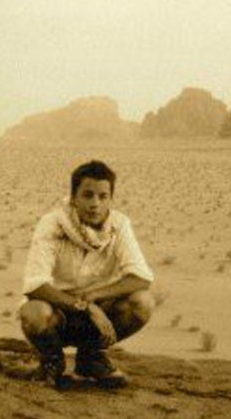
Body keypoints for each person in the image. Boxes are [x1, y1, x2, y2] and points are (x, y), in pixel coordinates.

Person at [19, 160, 155, 388]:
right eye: (87, 195)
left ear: (111, 199)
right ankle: (52, 362)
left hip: (100, 312)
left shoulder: (119, 225)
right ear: (73, 197)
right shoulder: (52, 223)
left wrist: (94, 296)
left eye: (103, 197)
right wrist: (84, 306)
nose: (95, 204)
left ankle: (91, 358)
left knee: (143, 303)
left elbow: (141, 278)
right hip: (57, 313)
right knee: (33, 312)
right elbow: (35, 285)